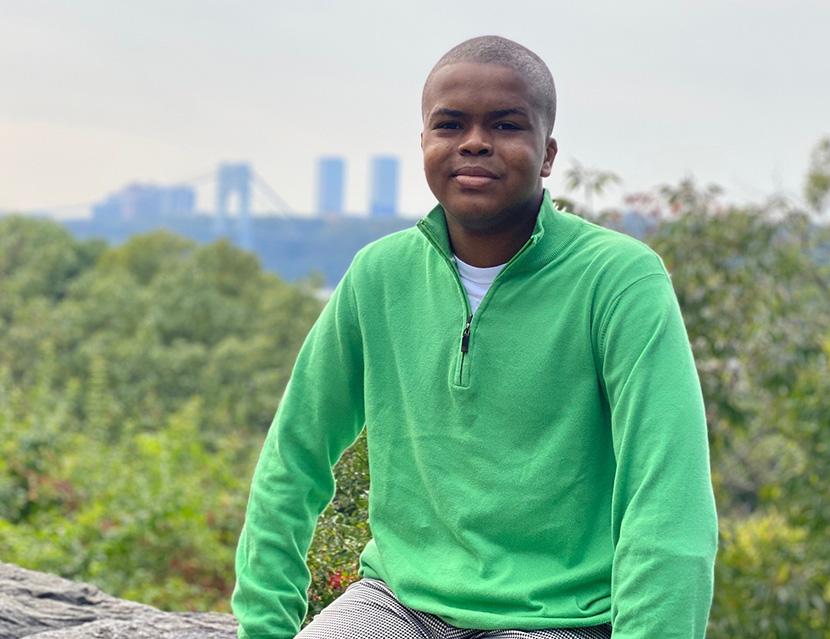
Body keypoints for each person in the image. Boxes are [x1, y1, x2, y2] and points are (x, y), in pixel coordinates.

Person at [231, 35, 718, 639]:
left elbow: (669, 496)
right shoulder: (379, 275)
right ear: (424, 143)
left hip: (561, 616)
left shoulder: (619, 280)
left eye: (506, 125)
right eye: (450, 124)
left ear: (547, 154)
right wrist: (264, 628)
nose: (475, 142)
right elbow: (294, 456)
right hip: (398, 601)